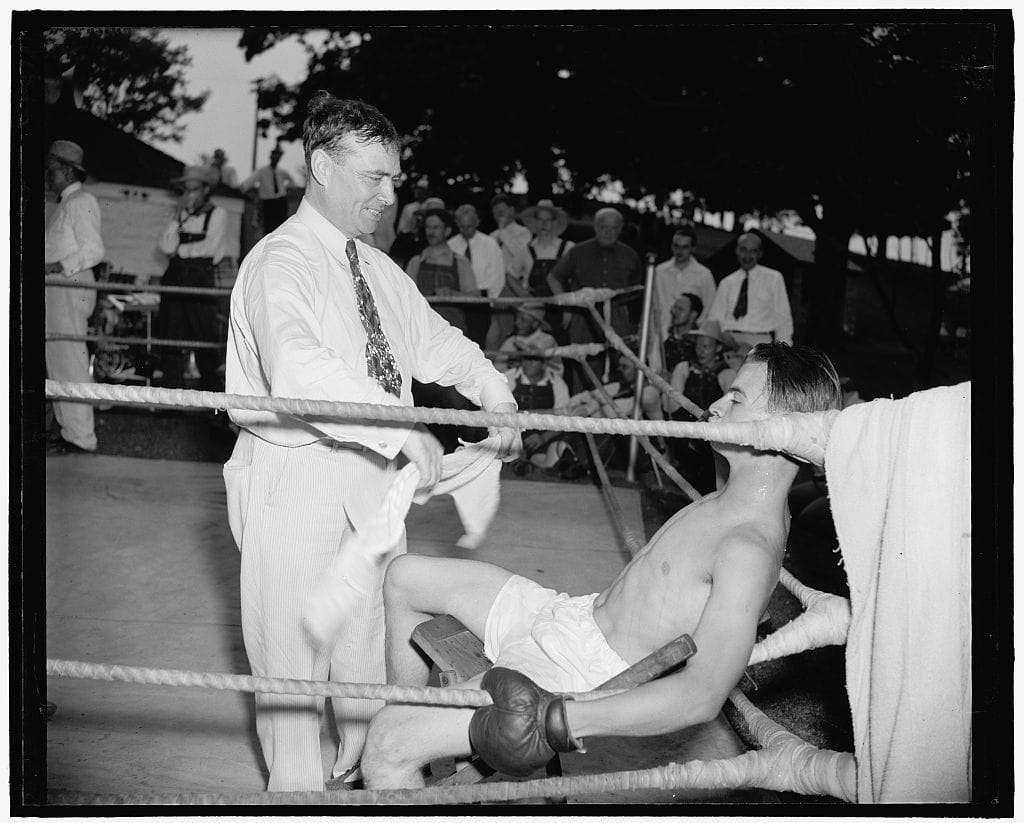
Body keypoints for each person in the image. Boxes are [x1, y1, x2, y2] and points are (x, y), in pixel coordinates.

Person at [361, 342, 843, 788]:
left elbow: (702, 695)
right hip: (570, 614)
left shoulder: (748, 548)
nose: (714, 406)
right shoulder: (734, 492)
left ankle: (404, 751)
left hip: (578, 669)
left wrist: (562, 718)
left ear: (784, 426)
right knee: (405, 577)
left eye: (736, 398)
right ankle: (418, 756)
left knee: (386, 740)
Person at [222, 91, 522, 792]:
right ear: (323, 167)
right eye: (373, 178)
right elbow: (297, 367)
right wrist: (400, 423)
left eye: (394, 178)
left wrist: (497, 395)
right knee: (293, 664)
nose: (390, 195)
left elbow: (439, 343)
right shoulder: (281, 263)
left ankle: (363, 777)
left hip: (373, 488)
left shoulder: (380, 269)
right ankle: (293, 795)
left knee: (366, 657)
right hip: (294, 476)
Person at [44, 139, 105, 454]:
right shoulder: (66, 204)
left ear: (67, 171)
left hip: (70, 284)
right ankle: (68, 431)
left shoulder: (81, 201)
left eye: (52, 169)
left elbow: (94, 250)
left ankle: (82, 437)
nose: (48, 175)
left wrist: (58, 265)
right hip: (58, 287)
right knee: (57, 362)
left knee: (70, 362)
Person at [548, 207, 643, 391]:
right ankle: (580, 415)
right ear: (596, 228)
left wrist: (632, 321)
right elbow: (554, 277)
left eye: (613, 228)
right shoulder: (578, 251)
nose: (608, 232)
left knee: (620, 364)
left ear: (620, 229)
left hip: (617, 317)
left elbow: (636, 291)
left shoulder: (630, 255)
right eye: (604, 227)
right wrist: (566, 306)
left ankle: (615, 413)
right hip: (583, 316)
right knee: (583, 367)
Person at [153, 165, 228, 391]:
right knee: (171, 335)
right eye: (185, 190)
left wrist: (181, 251)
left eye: (193, 189)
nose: (189, 195)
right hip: (175, 278)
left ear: (205, 189)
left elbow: (210, 248)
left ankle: (213, 400)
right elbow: (165, 246)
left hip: (199, 279)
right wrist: (177, 219)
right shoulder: (180, 216)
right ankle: (172, 394)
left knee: (204, 336)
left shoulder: (218, 214)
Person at [707, 232, 793, 347]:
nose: (747, 256)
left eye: (753, 251)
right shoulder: (726, 282)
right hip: (730, 341)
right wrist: (721, 335)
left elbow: (783, 319)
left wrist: (783, 350)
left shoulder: (774, 278)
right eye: (743, 250)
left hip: (760, 342)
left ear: (760, 254)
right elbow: (714, 318)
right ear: (737, 251)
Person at [650, 227, 716, 370]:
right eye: (676, 246)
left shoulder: (703, 274)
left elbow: (710, 307)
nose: (679, 251)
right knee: (657, 371)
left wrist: (695, 328)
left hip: (689, 334)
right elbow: (653, 303)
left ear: (693, 248)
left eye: (685, 247)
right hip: (661, 332)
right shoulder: (660, 271)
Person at [405, 207, 479, 334]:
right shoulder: (416, 262)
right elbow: (405, 296)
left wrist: (452, 294)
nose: (430, 232)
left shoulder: (460, 262)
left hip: (453, 331)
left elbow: (475, 296)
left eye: (436, 228)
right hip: (422, 331)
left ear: (447, 231)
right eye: (428, 227)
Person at [447, 204, 505, 350]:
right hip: (457, 300)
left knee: (477, 345)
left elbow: (498, 276)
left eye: (469, 226)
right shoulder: (451, 244)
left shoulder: (490, 244)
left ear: (477, 223)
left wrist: (490, 302)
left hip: (481, 300)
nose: (466, 230)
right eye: (462, 226)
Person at [488, 193, 534, 347]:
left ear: (512, 211)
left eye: (502, 211)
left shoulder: (524, 233)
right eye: (495, 213)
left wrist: (503, 232)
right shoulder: (491, 236)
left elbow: (519, 254)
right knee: (496, 328)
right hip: (495, 287)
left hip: (515, 286)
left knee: (513, 327)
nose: (498, 215)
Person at [240, 146, 295, 234]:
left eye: (278, 157)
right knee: (268, 227)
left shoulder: (282, 172)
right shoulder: (262, 171)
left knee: (281, 227)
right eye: (274, 156)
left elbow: (292, 181)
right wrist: (242, 189)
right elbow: (250, 181)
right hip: (268, 203)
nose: (276, 159)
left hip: (281, 202)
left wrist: (286, 189)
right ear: (271, 157)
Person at [661, 292, 703, 373]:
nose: (674, 311)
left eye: (680, 309)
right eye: (674, 307)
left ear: (693, 315)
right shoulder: (663, 336)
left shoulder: (699, 343)